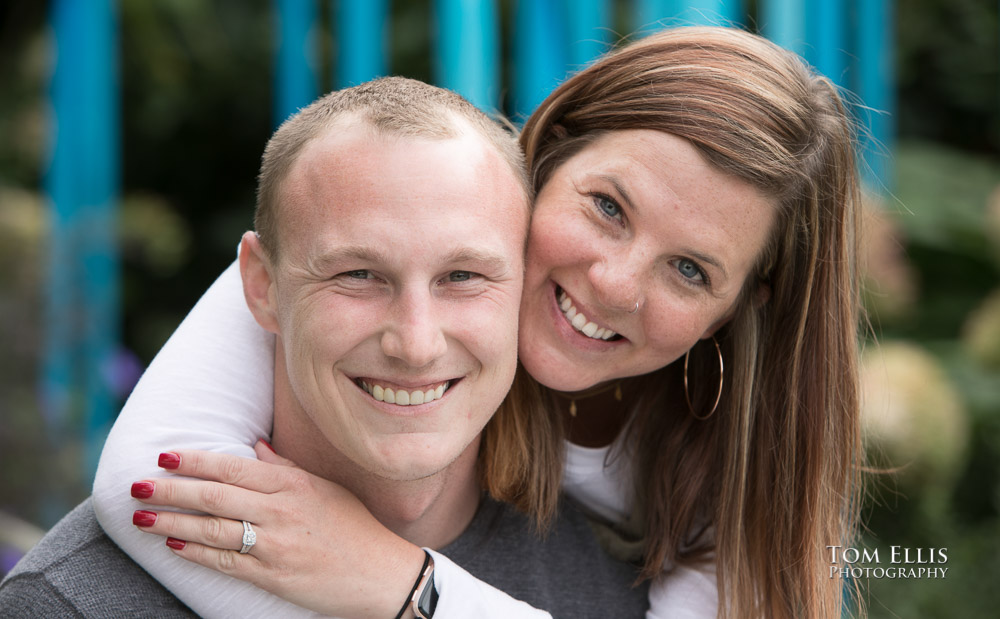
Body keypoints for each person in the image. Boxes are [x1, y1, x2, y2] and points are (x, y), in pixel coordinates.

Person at [94, 26, 863, 619]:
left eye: (691, 270)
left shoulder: (732, 469)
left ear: (742, 305)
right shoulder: (385, 230)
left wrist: (404, 585)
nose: (614, 283)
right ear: (547, 156)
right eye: (607, 207)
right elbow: (146, 486)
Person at [0, 78, 650, 618]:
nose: (416, 343)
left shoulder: (610, 591)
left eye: (463, 276)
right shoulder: (70, 604)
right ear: (261, 285)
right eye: (358, 274)